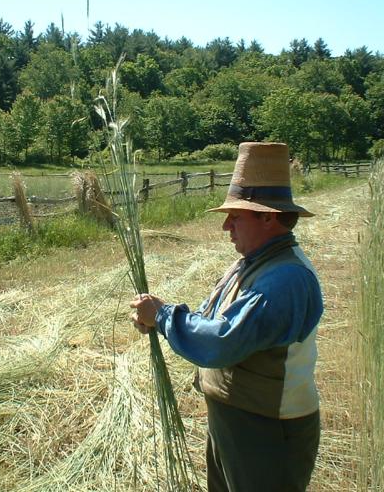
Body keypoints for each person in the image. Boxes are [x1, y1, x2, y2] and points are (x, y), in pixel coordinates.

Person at [130, 142, 323, 492]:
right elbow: (209, 317)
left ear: (267, 217)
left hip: (266, 430)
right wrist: (160, 316)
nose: (225, 227)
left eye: (236, 216)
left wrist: (162, 318)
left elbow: (222, 342)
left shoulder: (285, 279)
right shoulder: (252, 263)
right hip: (238, 421)